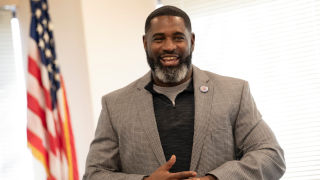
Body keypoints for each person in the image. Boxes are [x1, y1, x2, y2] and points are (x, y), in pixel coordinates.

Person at [83, 5, 286, 180]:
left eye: (178, 38)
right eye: (159, 39)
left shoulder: (234, 92)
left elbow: (271, 156)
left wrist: (214, 178)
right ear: (145, 43)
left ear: (192, 41)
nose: (169, 47)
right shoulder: (115, 104)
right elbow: (95, 173)